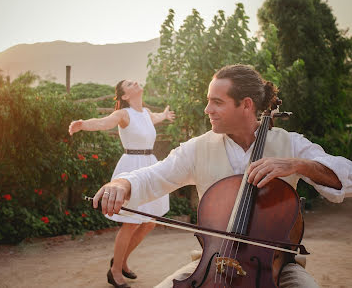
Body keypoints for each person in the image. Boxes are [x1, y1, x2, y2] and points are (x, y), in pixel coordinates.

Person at [93, 64, 352, 288]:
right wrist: (121, 184)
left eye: (217, 102)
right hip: (212, 264)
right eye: (208, 101)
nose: (207, 109)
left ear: (246, 105)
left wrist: (300, 165)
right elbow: (152, 176)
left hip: (276, 269)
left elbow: (346, 177)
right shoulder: (197, 148)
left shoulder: (290, 145)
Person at [69, 79, 175, 288]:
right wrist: (83, 125)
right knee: (131, 222)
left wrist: (165, 115)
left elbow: (156, 118)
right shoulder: (123, 114)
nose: (135, 82)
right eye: (129, 84)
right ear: (125, 96)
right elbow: (103, 122)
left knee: (150, 222)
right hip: (131, 166)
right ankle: (115, 271)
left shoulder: (145, 113)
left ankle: (121, 261)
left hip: (149, 166)